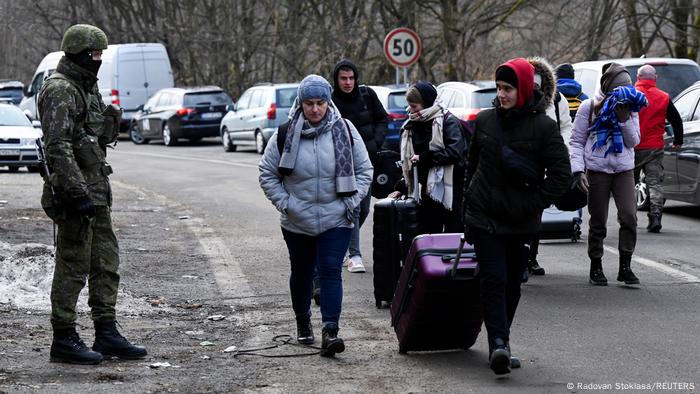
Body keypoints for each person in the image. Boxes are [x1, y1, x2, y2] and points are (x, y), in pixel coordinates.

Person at [37, 24, 147, 365]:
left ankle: (107, 331)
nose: (99, 60)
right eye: (95, 55)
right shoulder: (59, 89)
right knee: (72, 265)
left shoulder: (86, 87)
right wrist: (75, 190)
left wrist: (110, 119)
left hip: (97, 190)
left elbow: (95, 136)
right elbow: (57, 145)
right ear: (81, 55)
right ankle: (64, 337)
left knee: (105, 263)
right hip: (75, 194)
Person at [462, 58, 570, 375]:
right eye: (499, 88)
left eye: (508, 88)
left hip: (521, 220)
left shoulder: (545, 128)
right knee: (493, 279)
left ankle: (501, 341)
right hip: (485, 216)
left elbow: (561, 175)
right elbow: (472, 166)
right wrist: (469, 203)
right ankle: (498, 343)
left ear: (523, 89)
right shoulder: (485, 121)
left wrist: (534, 202)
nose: (502, 94)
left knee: (512, 284)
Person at [259, 75, 373, 357]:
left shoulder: (345, 130)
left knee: (331, 270)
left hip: (337, 217)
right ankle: (303, 320)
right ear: (301, 103)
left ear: (328, 102)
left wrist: (351, 202)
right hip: (297, 220)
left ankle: (330, 331)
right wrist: (287, 205)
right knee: (301, 273)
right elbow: (267, 173)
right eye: (309, 103)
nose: (315, 109)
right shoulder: (285, 134)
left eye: (320, 102)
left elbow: (364, 170)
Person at [570, 62, 648, 286]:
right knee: (598, 221)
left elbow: (634, 141)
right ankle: (596, 265)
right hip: (597, 170)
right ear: (608, 87)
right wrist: (578, 171)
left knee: (629, 217)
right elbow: (576, 141)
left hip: (623, 169)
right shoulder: (589, 107)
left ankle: (625, 266)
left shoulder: (631, 107)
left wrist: (623, 121)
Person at [331, 59, 388, 273]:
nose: (348, 82)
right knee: (353, 209)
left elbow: (383, 119)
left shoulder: (367, 95)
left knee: (363, 208)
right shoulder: (331, 101)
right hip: (343, 164)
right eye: (343, 78)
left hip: (368, 162)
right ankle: (354, 255)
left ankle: (344, 244)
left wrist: (375, 142)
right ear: (336, 80)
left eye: (351, 78)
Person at [387, 82, 466, 234]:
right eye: (409, 105)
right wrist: (402, 188)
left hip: (452, 190)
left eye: (415, 106)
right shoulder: (410, 126)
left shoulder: (448, 122)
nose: (410, 110)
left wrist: (425, 158)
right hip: (427, 194)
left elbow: (455, 152)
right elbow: (409, 164)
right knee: (429, 235)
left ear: (427, 104)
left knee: (452, 234)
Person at [524, 57, 574, 279]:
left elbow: (566, 127)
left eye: (538, 85)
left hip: (545, 163)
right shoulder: (518, 100)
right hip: (522, 162)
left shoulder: (557, 100)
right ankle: (518, 256)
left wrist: (559, 150)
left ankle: (530, 257)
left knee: (536, 211)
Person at [634, 65, 684, 233]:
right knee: (654, 183)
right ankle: (655, 215)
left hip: (632, 147)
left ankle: (627, 217)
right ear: (655, 78)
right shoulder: (663, 97)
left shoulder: (631, 95)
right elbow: (677, 120)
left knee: (627, 183)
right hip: (655, 147)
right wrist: (678, 140)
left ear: (638, 77)